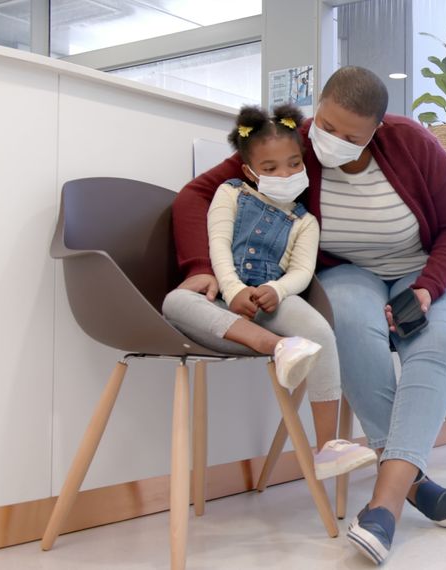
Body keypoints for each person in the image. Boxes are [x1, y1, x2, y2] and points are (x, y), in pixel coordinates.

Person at [172, 66, 446, 565]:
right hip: (346, 272)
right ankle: (413, 482)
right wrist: (199, 267)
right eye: (328, 126)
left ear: (378, 131)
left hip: (425, 270)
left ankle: (385, 504)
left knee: (438, 343)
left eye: (351, 136)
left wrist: (427, 290)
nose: (333, 142)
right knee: (353, 331)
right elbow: (196, 195)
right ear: (316, 109)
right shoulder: (290, 142)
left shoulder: (413, 144)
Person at [162, 103, 376, 481]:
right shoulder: (229, 194)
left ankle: (328, 448)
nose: (286, 173)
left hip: (273, 300)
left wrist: (276, 290)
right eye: (271, 168)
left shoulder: (305, 222)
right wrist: (230, 287)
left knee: (321, 333)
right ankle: (275, 346)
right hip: (225, 298)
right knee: (175, 301)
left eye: (294, 164)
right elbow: (218, 243)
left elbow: (302, 271)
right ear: (249, 171)